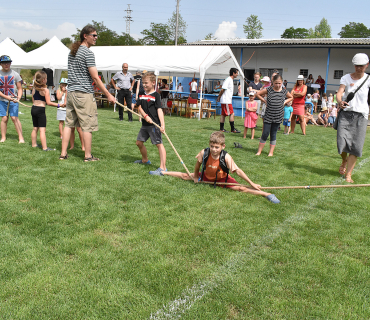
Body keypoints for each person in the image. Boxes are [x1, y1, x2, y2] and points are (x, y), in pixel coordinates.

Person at [162, 131, 281, 204]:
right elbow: (197, 165)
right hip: (206, 176)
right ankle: (163, 172)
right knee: (184, 176)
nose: (214, 149)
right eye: (212, 146)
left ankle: (267, 194)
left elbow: (238, 171)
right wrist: (195, 177)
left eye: (217, 147)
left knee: (241, 189)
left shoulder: (226, 157)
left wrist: (252, 183)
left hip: (222, 179)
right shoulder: (204, 152)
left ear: (223, 146)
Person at [59, 24, 115, 162]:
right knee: (87, 125)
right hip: (83, 94)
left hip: (70, 93)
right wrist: (108, 94)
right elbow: (95, 78)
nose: (96, 38)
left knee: (68, 124)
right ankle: (88, 156)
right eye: (94, 35)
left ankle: (63, 154)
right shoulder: (88, 53)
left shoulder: (72, 52)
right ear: (85, 36)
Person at [336, 53, 370, 183]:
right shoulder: (346, 78)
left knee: (356, 146)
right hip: (346, 114)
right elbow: (340, 92)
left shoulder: (368, 79)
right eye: (356, 65)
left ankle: (348, 174)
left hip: (361, 116)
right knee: (341, 143)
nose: (358, 68)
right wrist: (340, 101)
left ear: (366, 65)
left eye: (361, 66)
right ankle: (344, 159)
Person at [134, 72, 167, 176]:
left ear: (153, 83)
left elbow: (159, 110)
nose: (144, 85)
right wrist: (145, 116)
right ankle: (145, 160)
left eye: (146, 83)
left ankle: (163, 168)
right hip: (145, 124)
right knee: (139, 143)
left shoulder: (156, 95)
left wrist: (162, 125)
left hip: (154, 125)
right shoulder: (142, 94)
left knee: (159, 144)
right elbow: (138, 107)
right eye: (143, 83)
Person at [255, 74, 293, 156]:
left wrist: (285, 102)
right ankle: (259, 151)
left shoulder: (284, 91)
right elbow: (257, 94)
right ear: (273, 82)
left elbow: (291, 97)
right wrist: (264, 101)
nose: (278, 85)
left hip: (278, 116)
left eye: (279, 83)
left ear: (282, 82)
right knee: (265, 133)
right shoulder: (268, 89)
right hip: (268, 115)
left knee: (273, 134)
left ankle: (271, 152)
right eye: (276, 83)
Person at [31, 71, 61, 151]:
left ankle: (34, 144)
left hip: (33, 108)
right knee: (42, 129)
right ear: (43, 80)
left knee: (35, 128)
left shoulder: (34, 88)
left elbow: (33, 99)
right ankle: (45, 148)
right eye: (46, 78)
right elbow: (48, 102)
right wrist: (59, 105)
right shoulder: (45, 90)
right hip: (40, 110)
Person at [0, 55, 25, 143]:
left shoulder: (15, 74)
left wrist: (19, 97)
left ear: (10, 63)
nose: (6, 64)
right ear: (1, 64)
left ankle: (21, 138)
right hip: (2, 101)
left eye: (8, 62)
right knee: (4, 119)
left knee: (14, 118)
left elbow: (19, 88)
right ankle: (3, 137)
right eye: (4, 63)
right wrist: (6, 97)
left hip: (14, 100)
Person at [217, 68, 241, 133]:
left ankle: (221, 129)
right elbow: (222, 89)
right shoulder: (228, 80)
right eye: (236, 73)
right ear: (233, 73)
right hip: (226, 100)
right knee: (232, 113)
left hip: (226, 100)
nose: (237, 74)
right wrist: (219, 96)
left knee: (223, 114)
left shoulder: (230, 80)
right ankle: (233, 129)